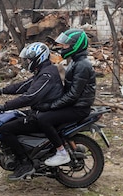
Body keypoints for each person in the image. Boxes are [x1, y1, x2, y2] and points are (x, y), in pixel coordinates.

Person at [0, 42, 63, 180]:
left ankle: (25, 163)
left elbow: (30, 97)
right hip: (41, 111)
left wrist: (4, 106)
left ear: (38, 58)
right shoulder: (42, 72)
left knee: (6, 129)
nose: (26, 62)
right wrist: (1, 90)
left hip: (45, 114)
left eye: (29, 59)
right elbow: (24, 86)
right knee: (12, 118)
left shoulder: (47, 75)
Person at [35, 28, 96, 167]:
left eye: (66, 45)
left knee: (44, 119)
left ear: (76, 45)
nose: (63, 48)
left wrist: (51, 105)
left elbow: (73, 95)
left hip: (79, 108)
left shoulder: (82, 65)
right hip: (75, 105)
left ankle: (61, 153)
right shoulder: (75, 61)